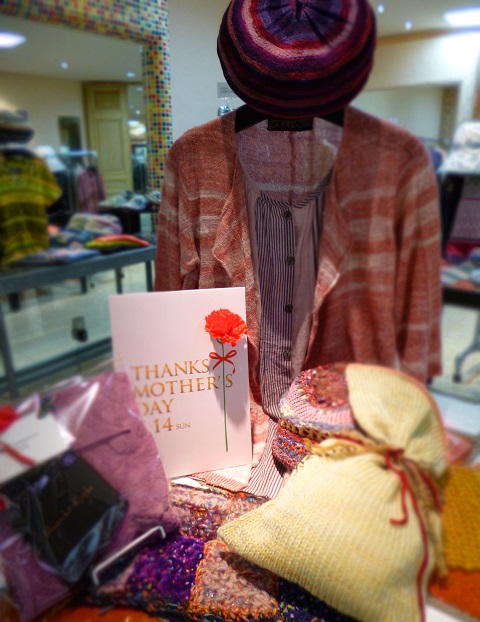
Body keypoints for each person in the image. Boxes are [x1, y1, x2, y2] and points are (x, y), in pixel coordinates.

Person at [154, 0, 442, 497]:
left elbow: (418, 323)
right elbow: (168, 308)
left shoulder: (397, 163)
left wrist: (408, 439)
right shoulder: (194, 159)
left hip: (349, 437)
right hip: (227, 428)